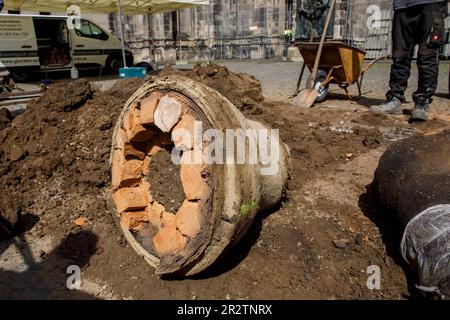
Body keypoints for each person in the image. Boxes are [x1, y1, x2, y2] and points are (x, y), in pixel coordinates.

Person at [370, 1, 448, 121]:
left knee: (427, 56)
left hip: (432, 3)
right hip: (402, 5)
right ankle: (395, 98)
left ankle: (422, 102)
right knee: (399, 56)